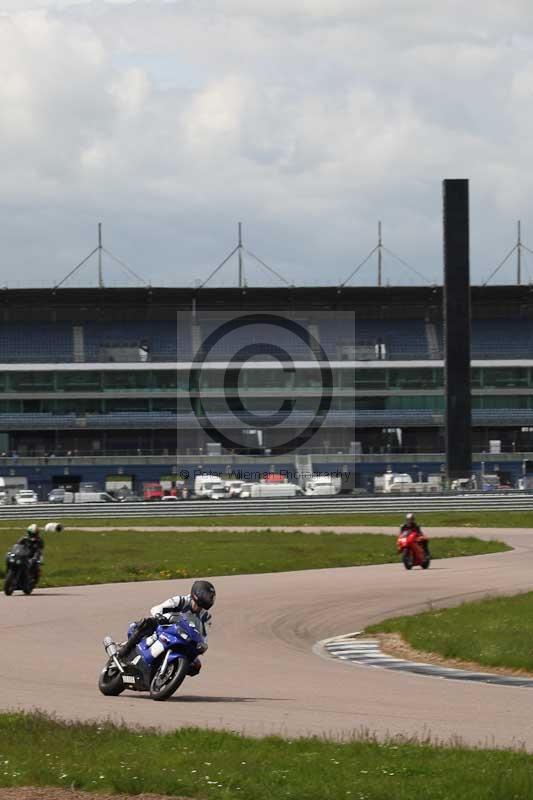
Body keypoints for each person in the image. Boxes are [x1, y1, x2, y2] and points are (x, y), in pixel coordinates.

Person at [116, 580, 216, 673]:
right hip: (164, 627)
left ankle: (171, 672)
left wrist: (203, 645)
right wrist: (159, 616)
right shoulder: (180, 601)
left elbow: (204, 636)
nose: (208, 599)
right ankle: (125, 650)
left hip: (184, 638)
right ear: (197, 593)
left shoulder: (206, 617)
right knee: (148, 623)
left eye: (210, 597)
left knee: (196, 666)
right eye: (206, 596)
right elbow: (157, 608)